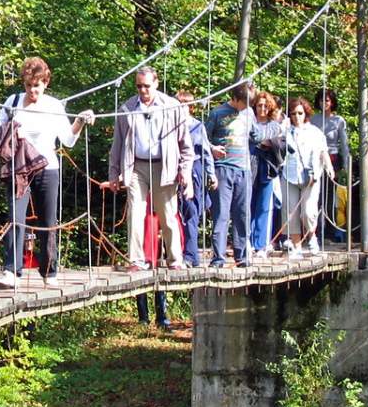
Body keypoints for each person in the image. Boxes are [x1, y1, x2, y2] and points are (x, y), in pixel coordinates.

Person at [0, 57, 94, 289]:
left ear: (45, 83)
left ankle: (49, 271)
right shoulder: (13, 102)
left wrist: (79, 121)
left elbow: (68, 140)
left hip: (48, 169)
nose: (32, 90)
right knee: (15, 218)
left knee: (48, 221)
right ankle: (11, 271)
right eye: (28, 85)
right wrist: (12, 133)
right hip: (20, 169)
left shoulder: (54, 106)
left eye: (36, 85)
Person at [106, 67, 194, 271]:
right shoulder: (127, 108)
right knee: (135, 213)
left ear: (156, 83)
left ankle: (175, 260)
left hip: (164, 166)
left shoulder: (172, 107)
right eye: (139, 86)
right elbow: (117, 144)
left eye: (146, 86)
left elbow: (186, 145)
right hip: (136, 167)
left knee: (168, 214)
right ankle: (136, 260)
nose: (143, 90)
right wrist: (113, 173)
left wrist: (185, 171)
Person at [205, 83, 281, 268]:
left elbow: (256, 135)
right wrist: (212, 148)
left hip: (244, 170)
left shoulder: (248, 114)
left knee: (242, 215)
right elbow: (203, 139)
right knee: (221, 215)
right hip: (222, 169)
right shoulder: (217, 113)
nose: (248, 107)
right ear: (235, 99)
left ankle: (242, 257)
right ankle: (218, 258)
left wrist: (276, 128)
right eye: (245, 103)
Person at [278, 97, 333, 257]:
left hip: (311, 177)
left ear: (306, 113)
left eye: (300, 113)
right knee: (290, 212)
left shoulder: (315, 132)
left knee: (308, 212)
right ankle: (296, 246)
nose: (297, 116)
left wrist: (329, 167)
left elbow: (324, 151)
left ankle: (311, 237)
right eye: (293, 113)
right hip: (289, 175)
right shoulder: (285, 131)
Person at [176, 90, 217, 269]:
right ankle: (184, 255)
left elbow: (206, 152)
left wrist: (212, 174)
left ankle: (190, 256)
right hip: (174, 171)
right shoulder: (170, 125)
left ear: (191, 108)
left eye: (185, 106)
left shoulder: (197, 126)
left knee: (191, 212)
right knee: (179, 214)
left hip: (194, 171)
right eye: (179, 106)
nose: (182, 109)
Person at [312, 88, 352, 240]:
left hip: (332, 160)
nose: (324, 103)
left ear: (332, 102)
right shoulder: (313, 119)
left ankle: (329, 233)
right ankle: (315, 232)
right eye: (322, 100)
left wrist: (347, 166)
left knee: (329, 197)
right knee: (315, 196)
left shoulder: (339, 121)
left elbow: (344, 145)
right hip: (315, 160)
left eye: (327, 100)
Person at [249, 92, 283, 260]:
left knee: (264, 208)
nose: (262, 108)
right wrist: (265, 142)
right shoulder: (248, 123)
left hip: (268, 170)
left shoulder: (275, 126)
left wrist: (269, 143)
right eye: (259, 105)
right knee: (247, 206)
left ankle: (260, 245)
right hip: (249, 167)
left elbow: (282, 144)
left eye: (265, 105)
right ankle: (247, 242)